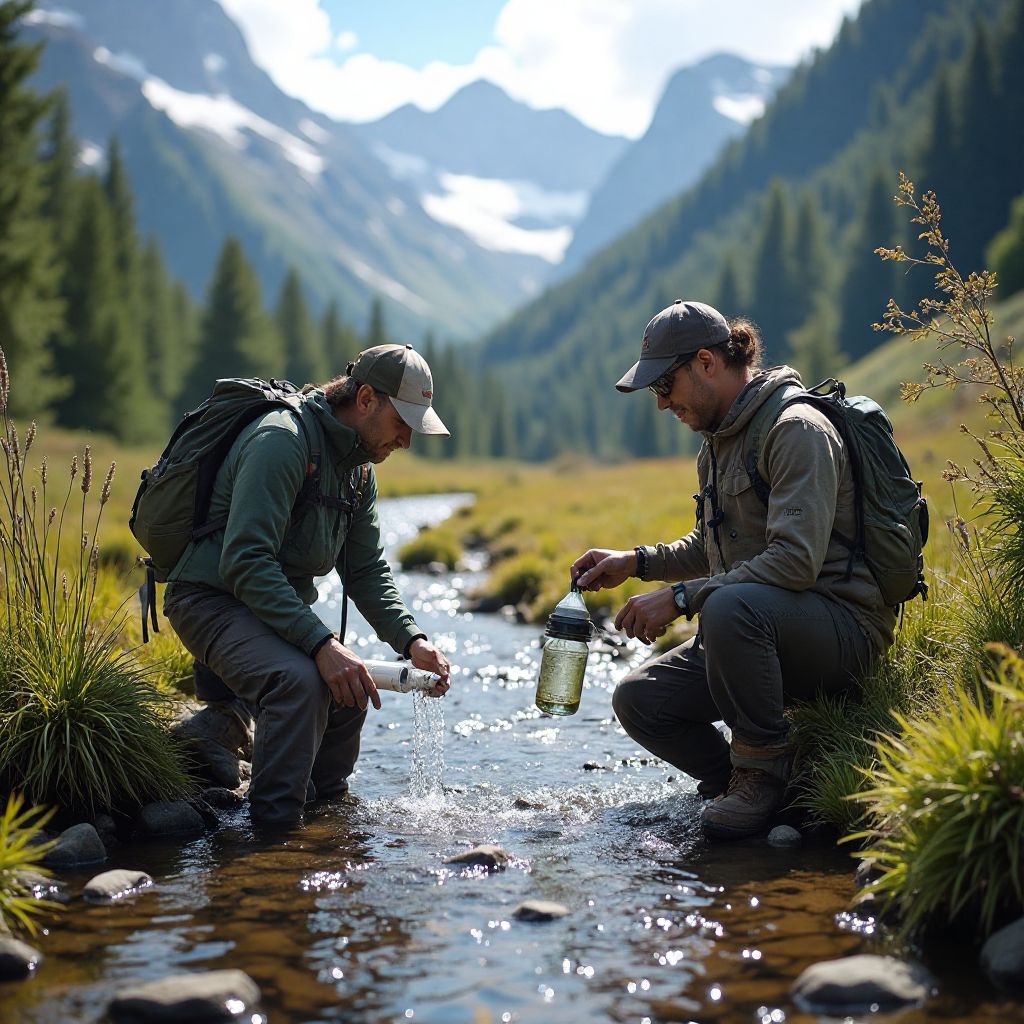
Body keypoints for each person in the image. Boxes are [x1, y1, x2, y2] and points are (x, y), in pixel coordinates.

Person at [572, 300, 896, 839]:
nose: (661, 404)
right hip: (761, 626)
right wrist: (636, 562)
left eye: (664, 386)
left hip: (844, 630)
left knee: (724, 606)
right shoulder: (718, 444)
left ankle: (760, 772)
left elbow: (793, 562)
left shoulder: (796, 430)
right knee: (639, 699)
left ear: (706, 362)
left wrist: (680, 600)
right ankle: (751, 788)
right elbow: (716, 546)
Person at [164, 343, 452, 827]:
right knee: (302, 683)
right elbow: (246, 561)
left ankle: (323, 818)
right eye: (403, 422)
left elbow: (365, 571)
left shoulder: (358, 471)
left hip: (270, 613)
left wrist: (412, 640)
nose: (406, 440)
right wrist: (320, 643)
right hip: (209, 601)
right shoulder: (282, 441)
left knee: (350, 683)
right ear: (365, 400)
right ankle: (274, 834)